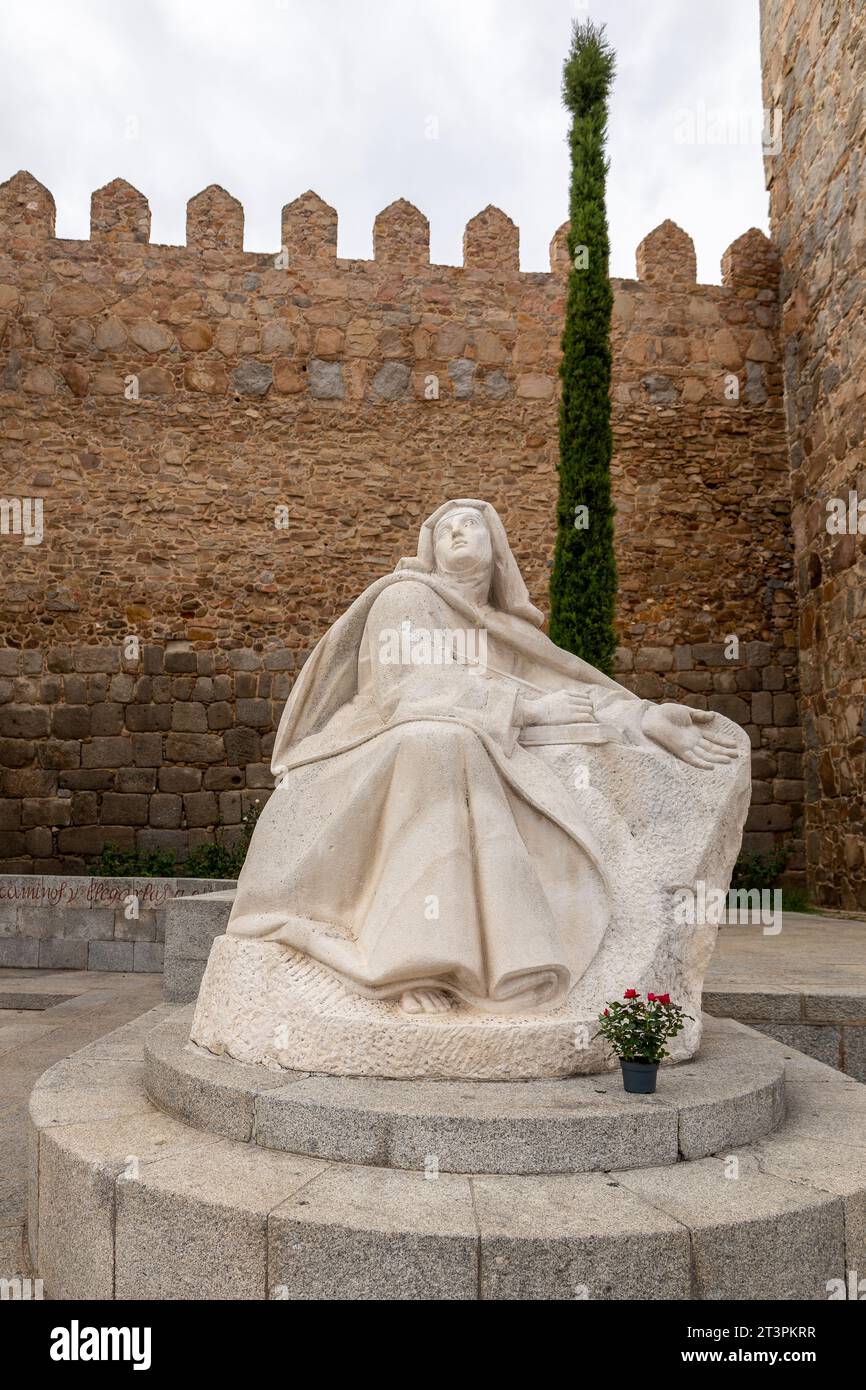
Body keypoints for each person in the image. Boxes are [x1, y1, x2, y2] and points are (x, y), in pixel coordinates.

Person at [227, 499, 737, 1015]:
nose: (456, 532)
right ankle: (413, 959)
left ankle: (503, 959)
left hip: (464, 741)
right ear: (429, 549)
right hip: (375, 741)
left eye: (470, 524)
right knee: (442, 741)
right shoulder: (406, 596)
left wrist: (641, 717)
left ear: (498, 554)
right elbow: (407, 687)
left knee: (457, 744)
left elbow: (564, 686)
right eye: (445, 527)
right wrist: (529, 711)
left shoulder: (507, 632)